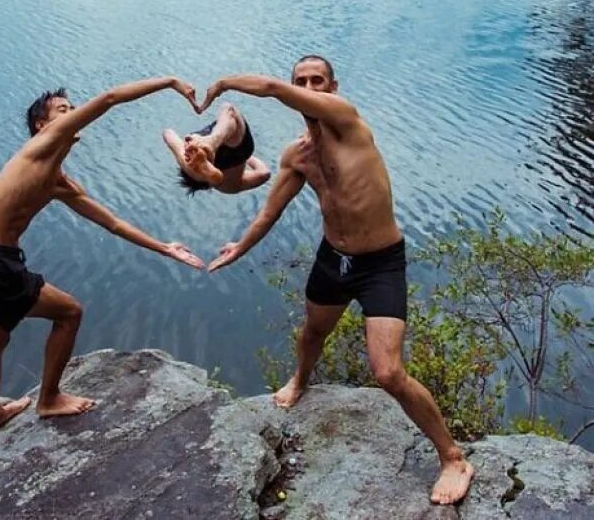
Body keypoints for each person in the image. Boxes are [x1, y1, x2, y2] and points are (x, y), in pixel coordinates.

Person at [201, 56, 474, 506]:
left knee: (387, 372)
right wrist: (239, 247)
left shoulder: (348, 122)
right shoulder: (298, 155)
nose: (310, 87)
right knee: (312, 331)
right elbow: (271, 210)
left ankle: (452, 457)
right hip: (334, 259)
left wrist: (224, 82)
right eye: (302, 81)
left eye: (318, 81)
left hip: (380, 264)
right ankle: (300, 379)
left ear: (333, 86)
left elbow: (269, 87)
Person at [0, 77, 205, 434]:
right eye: (63, 110)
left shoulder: (58, 181)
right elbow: (110, 97)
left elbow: (114, 223)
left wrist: (165, 247)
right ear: (42, 125)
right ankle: (49, 399)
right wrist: (169, 82)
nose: (73, 114)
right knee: (70, 313)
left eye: (72, 109)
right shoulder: (40, 146)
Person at [162, 102, 271, 195]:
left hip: (236, 154)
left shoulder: (228, 187)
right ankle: (209, 145)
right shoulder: (192, 151)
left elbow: (264, 174)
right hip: (204, 140)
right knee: (227, 108)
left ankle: (204, 158)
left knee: (230, 113)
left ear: (208, 186)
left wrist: (248, 159)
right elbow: (168, 133)